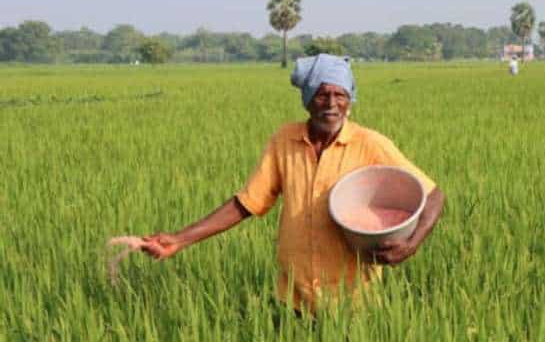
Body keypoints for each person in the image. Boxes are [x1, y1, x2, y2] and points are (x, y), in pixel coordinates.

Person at [141, 54, 445, 313]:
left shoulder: (370, 144)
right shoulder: (284, 140)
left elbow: (433, 195)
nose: (332, 104)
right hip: (294, 298)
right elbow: (247, 202)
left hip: (353, 301)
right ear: (307, 99)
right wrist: (179, 239)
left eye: (340, 95)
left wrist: (411, 244)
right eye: (322, 94)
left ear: (350, 99)